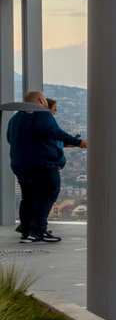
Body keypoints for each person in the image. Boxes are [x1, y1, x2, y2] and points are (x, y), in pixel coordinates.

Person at [9, 91, 86, 244]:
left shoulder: (15, 118)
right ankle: (37, 231)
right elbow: (53, 131)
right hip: (43, 165)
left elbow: (12, 138)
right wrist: (78, 142)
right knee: (49, 194)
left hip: (21, 165)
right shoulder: (41, 113)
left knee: (28, 198)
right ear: (41, 100)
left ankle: (26, 232)